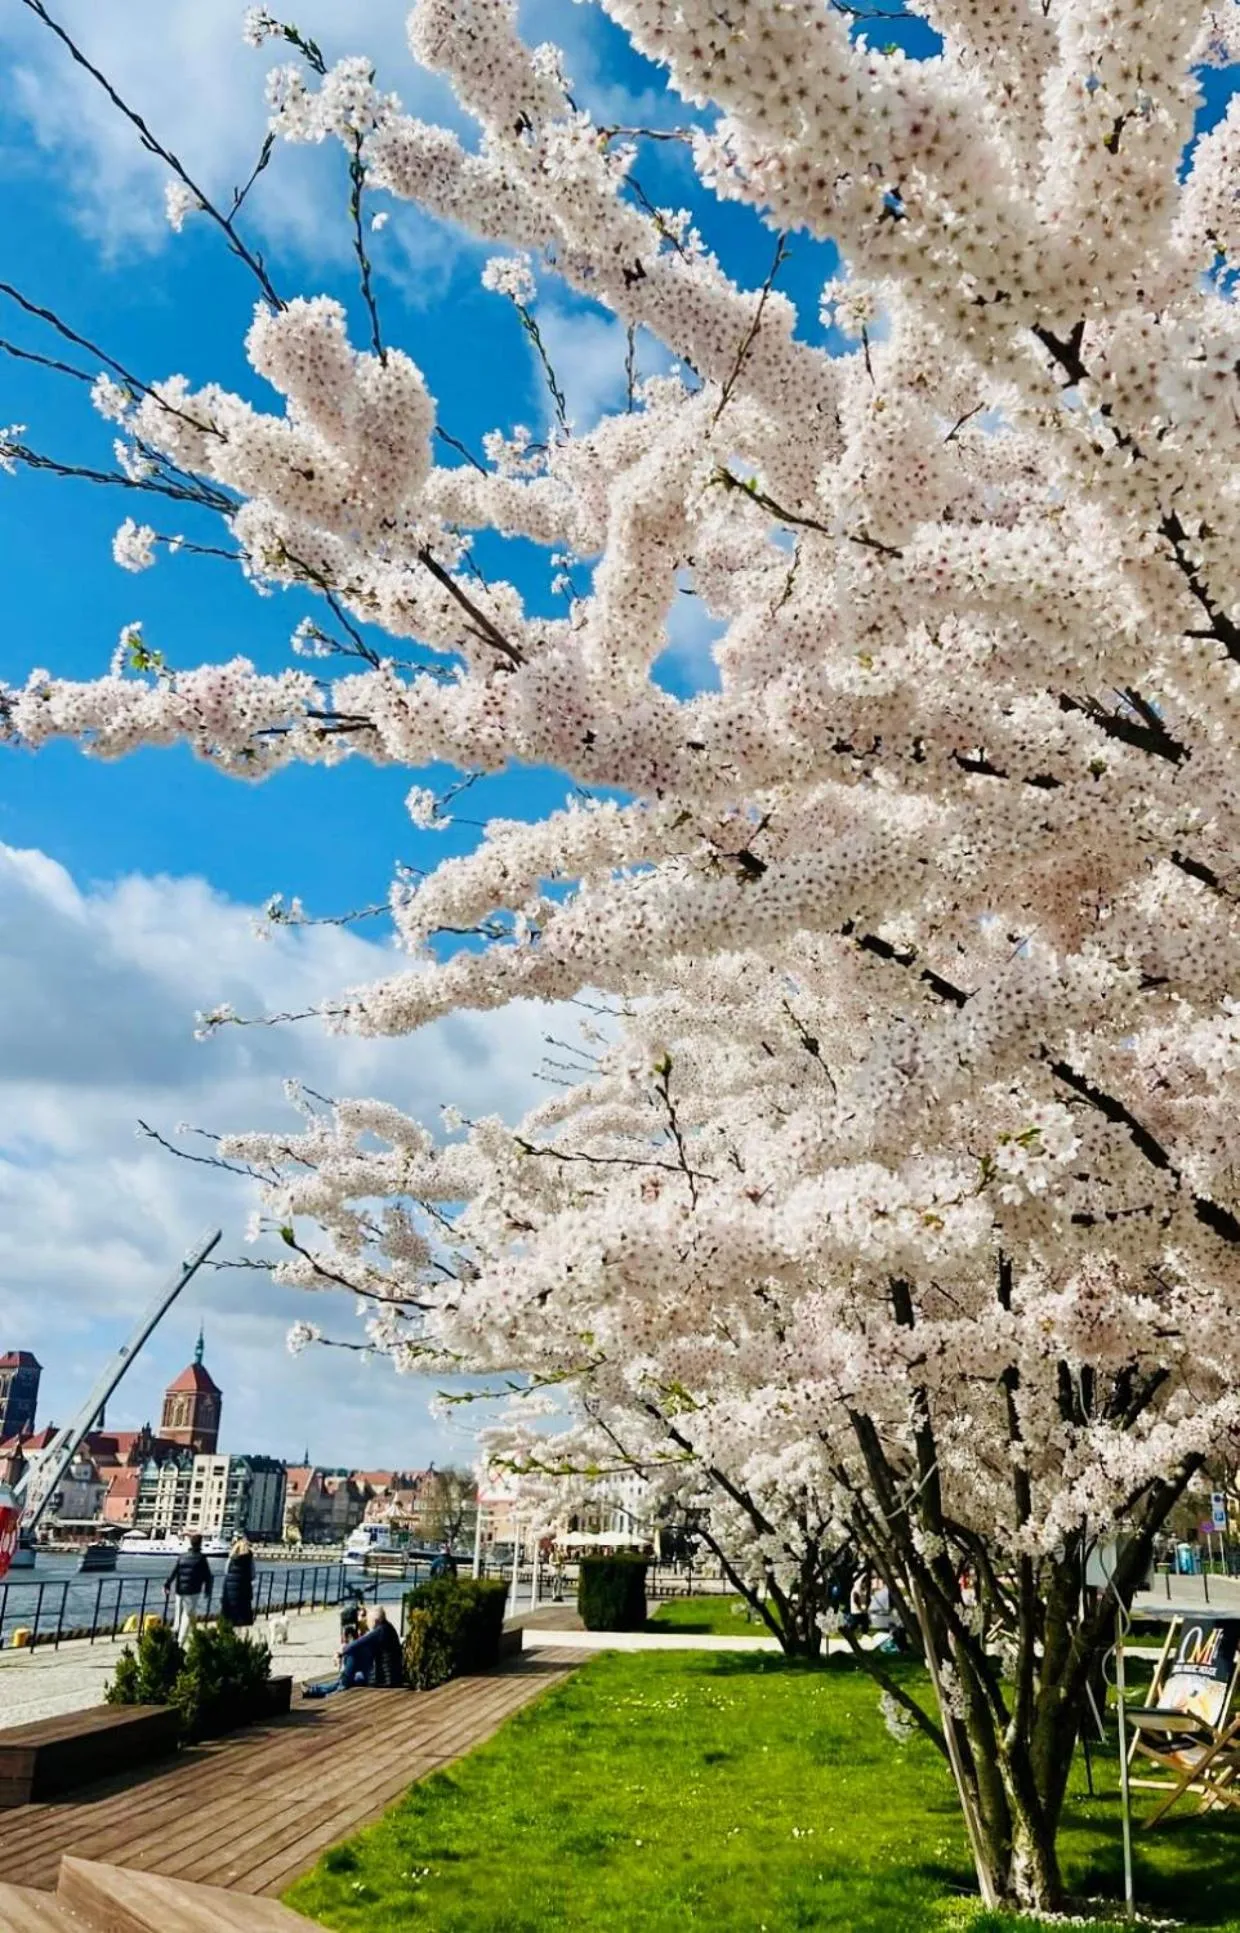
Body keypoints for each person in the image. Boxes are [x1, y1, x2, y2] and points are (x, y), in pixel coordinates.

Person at [303, 1605, 404, 1698]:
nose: (367, 1623)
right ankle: (314, 1690)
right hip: (387, 1676)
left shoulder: (380, 1631)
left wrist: (340, 1653)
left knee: (352, 1654)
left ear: (376, 1621)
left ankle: (327, 1691)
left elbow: (357, 1644)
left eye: (369, 1621)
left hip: (382, 1679)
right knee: (348, 1678)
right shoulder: (386, 1628)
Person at [165, 1534, 212, 1642]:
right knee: (187, 1614)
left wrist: (167, 1584)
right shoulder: (201, 1558)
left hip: (179, 1589)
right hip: (193, 1590)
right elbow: (207, 1576)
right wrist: (207, 1590)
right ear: (200, 1544)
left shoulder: (182, 1556)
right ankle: (180, 1641)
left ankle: (179, 1632)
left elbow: (174, 1571)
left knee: (179, 1613)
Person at [221, 1535, 255, 1627]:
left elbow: (226, 1571)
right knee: (242, 1614)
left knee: (229, 1613)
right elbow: (253, 1575)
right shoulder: (249, 1559)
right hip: (244, 1587)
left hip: (229, 1588)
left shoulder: (231, 1558)